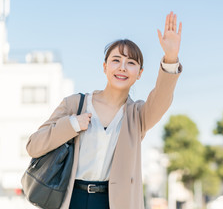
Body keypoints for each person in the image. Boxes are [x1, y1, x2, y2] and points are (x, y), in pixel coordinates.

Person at [25, 11, 183, 209]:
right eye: (116, 60)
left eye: (131, 63)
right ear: (104, 66)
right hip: (71, 198)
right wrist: (72, 124)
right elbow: (34, 145)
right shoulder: (75, 104)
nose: (122, 67)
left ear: (140, 73)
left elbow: (161, 98)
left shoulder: (137, 115)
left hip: (113, 202)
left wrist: (170, 57)